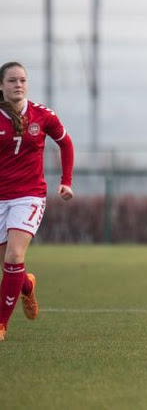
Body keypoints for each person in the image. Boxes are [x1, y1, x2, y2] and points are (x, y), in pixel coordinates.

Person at [0, 61, 75, 341]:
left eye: (22, 80)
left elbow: (65, 143)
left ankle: (1, 325)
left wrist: (65, 181)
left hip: (29, 195)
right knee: (9, 265)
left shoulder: (42, 115)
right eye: (11, 81)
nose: (18, 85)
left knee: (14, 256)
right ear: (1, 86)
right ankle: (27, 286)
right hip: (1, 198)